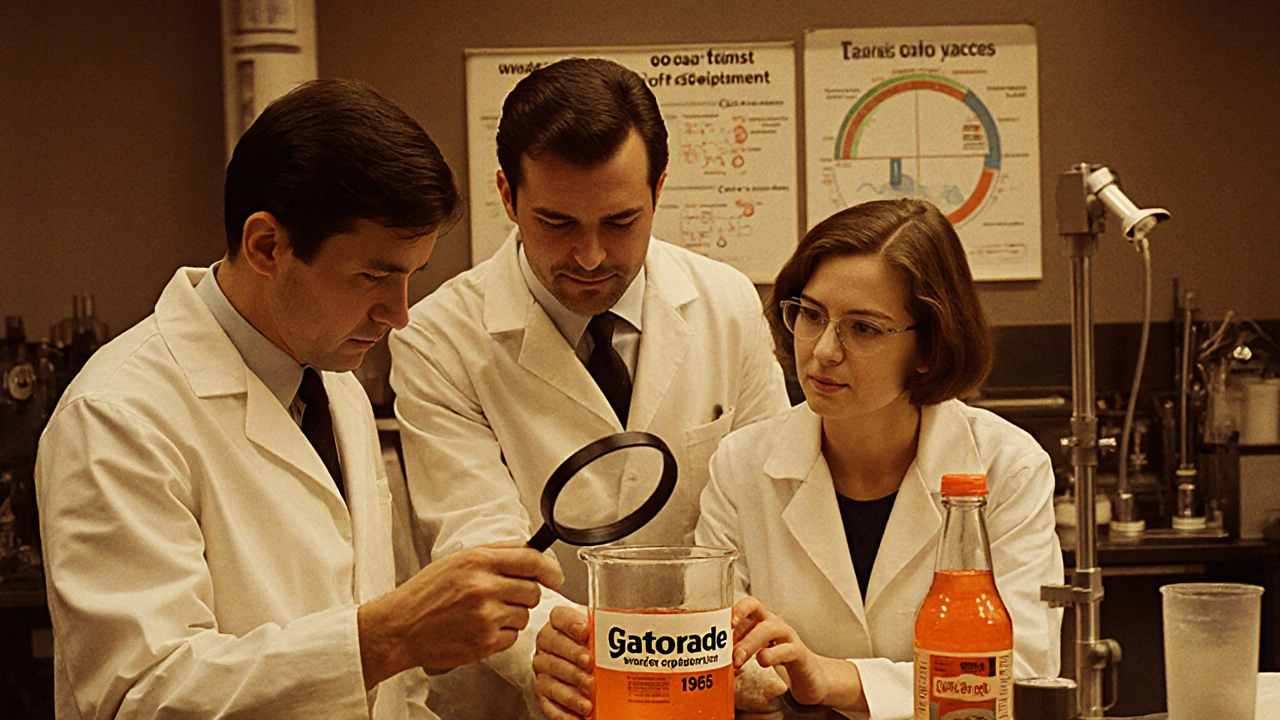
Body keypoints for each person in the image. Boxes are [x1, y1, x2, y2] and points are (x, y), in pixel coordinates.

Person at [35, 78, 562, 719]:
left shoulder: (331, 381)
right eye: (373, 276)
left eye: (409, 277)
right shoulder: (117, 417)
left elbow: (386, 686)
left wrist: (395, 655)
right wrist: (388, 638)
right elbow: (137, 698)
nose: (399, 314)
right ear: (266, 246)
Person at [533, 199, 1063, 720]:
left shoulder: (1007, 467)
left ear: (929, 347)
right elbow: (720, 643)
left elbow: (1023, 670)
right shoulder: (743, 463)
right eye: (811, 315)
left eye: (863, 328)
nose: (824, 350)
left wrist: (832, 678)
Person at [388, 57, 790, 717]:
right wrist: (560, 654)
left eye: (621, 222)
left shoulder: (727, 303)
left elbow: (763, 507)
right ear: (508, 195)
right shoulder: (438, 338)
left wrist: (704, 644)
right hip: (527, 689)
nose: (591, 256)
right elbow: (478, 544)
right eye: (558, 223)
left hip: (706, 680)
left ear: (659, 188)